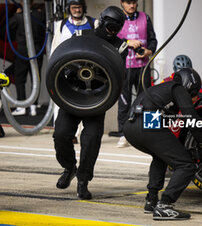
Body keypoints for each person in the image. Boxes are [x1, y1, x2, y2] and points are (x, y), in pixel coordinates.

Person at [123, 68, 202, 220]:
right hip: (146, 124)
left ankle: (151, 200)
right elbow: (191, 117)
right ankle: (165, 205)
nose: (193, 97)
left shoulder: (158, 89)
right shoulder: (177, 88)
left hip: (130, 127)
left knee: (160, 156)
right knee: (186, 166)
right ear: (190, 86)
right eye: (193, 93)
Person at [53, 6, 127, 200]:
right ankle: (69, 168)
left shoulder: (121, 46)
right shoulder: (81, 34)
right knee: (61, 134)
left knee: (91, 140)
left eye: (116, 28)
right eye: (110, 26)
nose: (112, 31)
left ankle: (83, 181)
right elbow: (64, 56)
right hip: (72, 93)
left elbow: (119, 74)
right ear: (102, 21)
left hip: (97, 98)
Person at [51, 0, 98, 144]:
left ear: (83, 8)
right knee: (62, 102)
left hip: (88, 71)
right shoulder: (62, 25)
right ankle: (65, 132)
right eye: (73, 7)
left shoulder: (93, 23)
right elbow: (55, 47)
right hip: (66, 71)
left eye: (78, 7)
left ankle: (80, 134)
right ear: (69, 9)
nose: (76, 10)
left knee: (85, 102)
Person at [116, 0, 157, 148]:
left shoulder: (145, 17)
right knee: (124, 102)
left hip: (143, 66)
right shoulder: (116, 17)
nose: (132, 5)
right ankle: (123, 134)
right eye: (128, 2)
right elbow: (111, 40)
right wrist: (127, 42)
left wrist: (149, 51)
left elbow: (153, 39)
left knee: (147, 100)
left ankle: (148, 134)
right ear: (122, 3)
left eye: (134, 2)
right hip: (124, 67)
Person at [9, 0, 45, 116]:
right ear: (32, 2)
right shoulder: (39, 15)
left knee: (20, 79)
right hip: (37, 50)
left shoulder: (18, 16)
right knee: (36, 79)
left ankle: (21, 106)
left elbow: (8, 29)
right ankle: (33, 106)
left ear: (22, 2)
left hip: (23, 51)